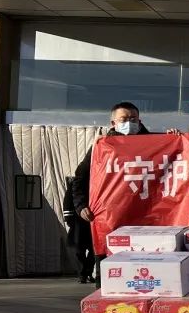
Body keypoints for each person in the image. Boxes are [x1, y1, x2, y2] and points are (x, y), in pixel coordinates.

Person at [71, 101, 151, 286]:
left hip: (145, 219)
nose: (129, 123)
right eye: (124, 119)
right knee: (110, 276)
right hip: (112, 218)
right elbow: (80, 178)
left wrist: (174, 136)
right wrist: (81, 205)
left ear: (140, 121)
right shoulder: (103, 146)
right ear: (113, 123)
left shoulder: (153, 144)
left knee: (143, 271)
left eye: (133, 119)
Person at [63, 175, 94, 283]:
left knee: (93, 249)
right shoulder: (75, 184)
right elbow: (67, 202)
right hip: (78, 223)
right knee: (78, 250)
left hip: (91, 222)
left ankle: (88, 272)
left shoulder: (94, 183)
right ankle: (82, 274)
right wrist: (70, 221)